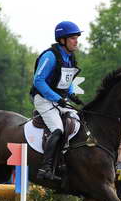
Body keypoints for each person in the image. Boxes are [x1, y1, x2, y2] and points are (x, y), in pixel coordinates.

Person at [30, 21, 83, 181]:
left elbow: (67, 79)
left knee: (78, 123)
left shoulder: (70, 57)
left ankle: (65, 163)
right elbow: (38, 81)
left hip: (59, 100)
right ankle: (45, 168)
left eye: (77, 38)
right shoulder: (50, 56)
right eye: (73, 38)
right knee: (58, 129)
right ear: (62, 40)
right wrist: (57, 98)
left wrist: (71, 94)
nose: (76, 41)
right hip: (44, 99)